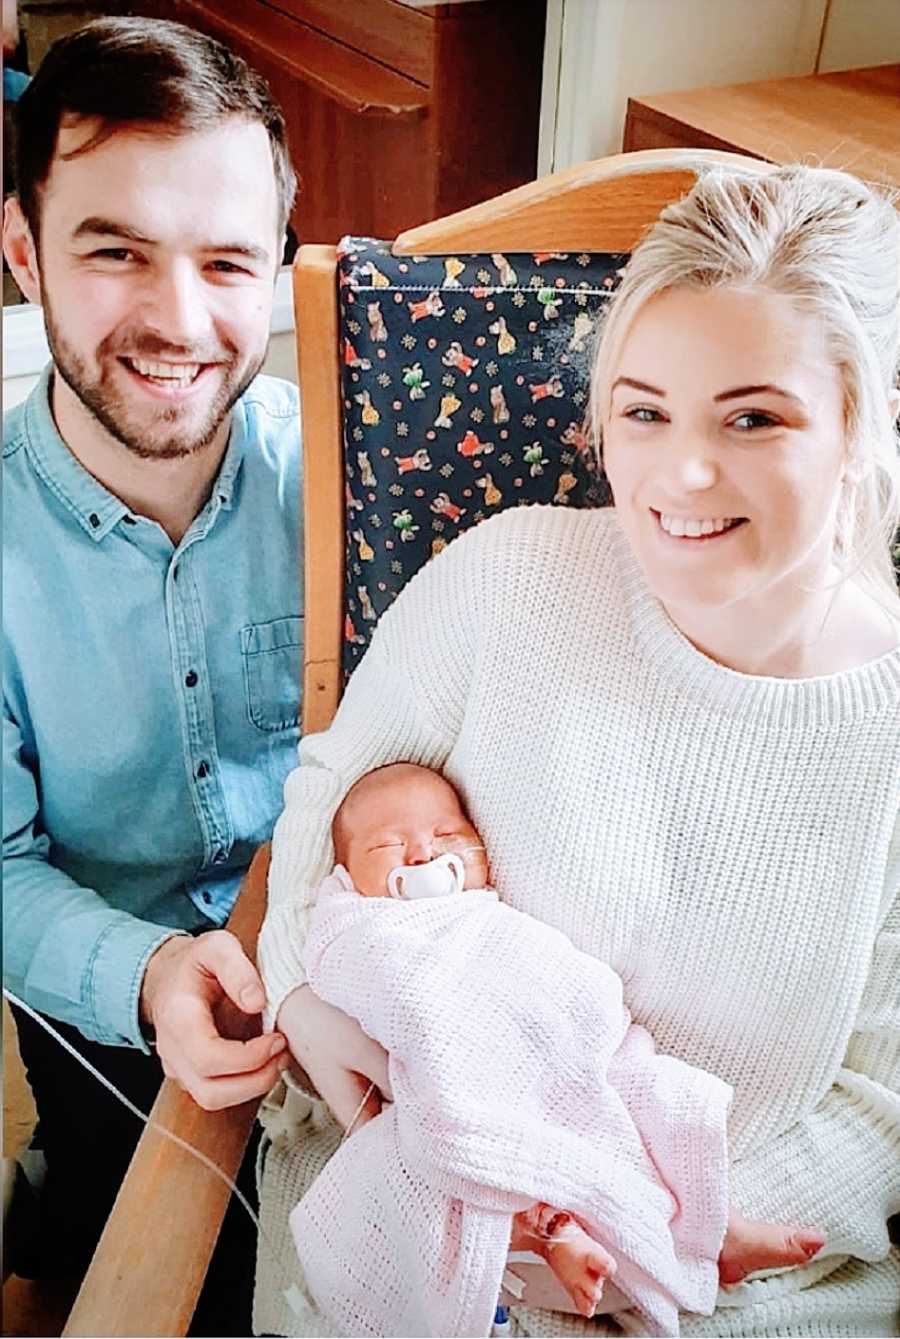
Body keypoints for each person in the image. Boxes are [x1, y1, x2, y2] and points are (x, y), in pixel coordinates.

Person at [258, 163, 900, 1337]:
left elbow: (885, 1110)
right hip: (410, 1220)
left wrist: (651, 1235)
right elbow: (326, 812)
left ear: (864, 421)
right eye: (645, 410)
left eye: (753, 417)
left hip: (750, 1288)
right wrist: (308, 1004)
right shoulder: (508, 579)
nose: (683, 475)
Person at [2, 16, 300, 1326]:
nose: (179, 321)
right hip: (102, 1012)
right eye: (116, 251)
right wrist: (148, 976)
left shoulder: (360, 472)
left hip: (348, 967)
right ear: (25, 253)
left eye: (227, 261)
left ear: (281, 270)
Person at [291, 760, 823, 1335]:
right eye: (388, 847)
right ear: (346, 878)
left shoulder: (490, 915)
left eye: (447, 837)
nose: (423, 855)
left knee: (655, 1099)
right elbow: (376, 984)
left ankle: (720, 1227)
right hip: (471, 1071)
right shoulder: (363, 929)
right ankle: (552, 1232)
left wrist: (575, 1007)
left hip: (569, 1046)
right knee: (454, 1146)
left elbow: (554, 975)